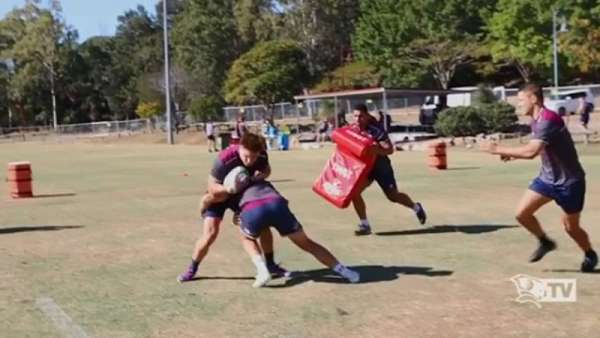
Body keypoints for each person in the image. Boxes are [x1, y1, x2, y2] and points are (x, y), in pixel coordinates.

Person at [480, 83, 597, 272]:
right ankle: (545, 241)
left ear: (533, 99)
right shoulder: (536, 120)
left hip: (570, 183)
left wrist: (497, 149)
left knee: (571, 227)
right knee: (521, 214)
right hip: (547, 180)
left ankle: (589, 253)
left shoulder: (549, 119)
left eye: (520, 100)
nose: (518, 105)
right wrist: (512, 153)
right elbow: (536, 146)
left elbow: (531, 152)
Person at [177, 133, 289, 282]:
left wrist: (256, 178)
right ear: (240, 147)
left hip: (242, 195)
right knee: (210, 234)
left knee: (263, 226)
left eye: (253, 157)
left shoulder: (262, 155)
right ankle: (192, 269)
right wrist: (229, 188)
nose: (249, 161)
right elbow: (212, 187)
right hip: (220, 195)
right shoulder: (224, 158)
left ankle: (271, 265)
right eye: (246, 156)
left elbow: (267, 171)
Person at [235, 180, 360, 287]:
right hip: (277, 205)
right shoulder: (264, 182)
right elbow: (285, 201)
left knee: (247, 238)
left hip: (253, 209)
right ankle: (346, 272)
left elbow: (235, 211)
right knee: (307, 243)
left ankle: (262, 271)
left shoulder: (234, 189)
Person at [350, 104, 427, 236]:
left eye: (361, 116)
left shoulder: (376, 130)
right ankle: (365, 225)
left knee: (393, 196)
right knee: (354, 193)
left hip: (381, 166)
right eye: (355, 116)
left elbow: (389, 150)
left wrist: (376, 150)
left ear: (367, 116)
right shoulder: (352, 129)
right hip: (365, 168)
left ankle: (416, 207)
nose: (358, 119)